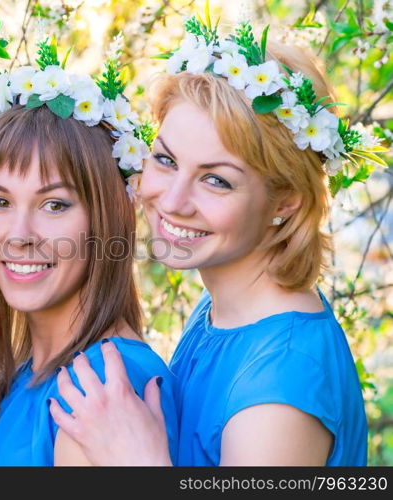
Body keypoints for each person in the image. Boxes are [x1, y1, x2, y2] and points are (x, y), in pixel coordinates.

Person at [49, 20, 375, 466]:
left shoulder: (278, 393)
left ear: (286, 203)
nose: (173, 199)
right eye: (165, 160)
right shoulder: (223, 311)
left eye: (216, 180)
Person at [0, 44, 179, 466]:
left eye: (54, 205)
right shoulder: (27, 374)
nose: (18, 236)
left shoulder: (100, 391)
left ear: (109, 218)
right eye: (0, 202)